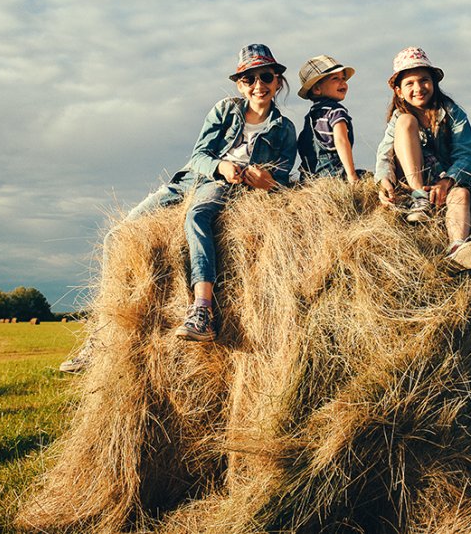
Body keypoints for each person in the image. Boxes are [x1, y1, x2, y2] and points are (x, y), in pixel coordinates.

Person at [59, 44, 296, 371]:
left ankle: (202, 311)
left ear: (278, 80)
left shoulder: (284, 129)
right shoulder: (224, 110)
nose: (259, 85)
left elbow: (283, 178)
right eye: (249, 79)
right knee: (118, 235)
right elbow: (198, 155)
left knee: (197, 215)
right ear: (240, 85)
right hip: (193, 180)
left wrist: (264, 178)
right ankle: (99, 340)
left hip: (226, 188)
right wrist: (220, 166)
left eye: (266, 76)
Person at [374, 46, 471, 272]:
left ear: (433, 82)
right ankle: (419, 197)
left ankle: (456, 249)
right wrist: (383, 180)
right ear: (399, 91)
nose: (418, 88)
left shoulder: (453, 113)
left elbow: (466, 154)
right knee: (407, 122)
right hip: (414, 182)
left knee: (461, 195)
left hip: (445, 181)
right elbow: (384, 152)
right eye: (409, 83)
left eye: (424, 80)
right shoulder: (399, 118)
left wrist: (449, 181)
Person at [296, 54, 359, 182]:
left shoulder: (311, 116)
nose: (343, 83)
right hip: (334, 175)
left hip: (310, 179)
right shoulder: (336, 111)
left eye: (343, 78)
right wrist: (352, 175)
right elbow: (341, 141)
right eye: (335, 78)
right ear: (317, 89)